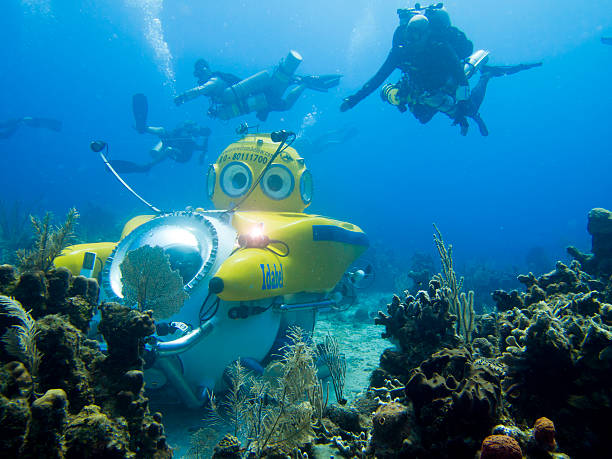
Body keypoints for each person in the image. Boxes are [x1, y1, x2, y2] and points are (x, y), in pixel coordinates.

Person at [341, 4, 541, 135]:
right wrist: (353, 100)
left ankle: (486, 75)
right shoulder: (400, 52)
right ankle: (456, 104)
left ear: (428, 33)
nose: (412, 41)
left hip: (448, 81)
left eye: (417, 36)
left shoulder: (441, 47)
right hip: (420, 85)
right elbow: (377, 79)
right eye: (409, 36)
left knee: (470, 109)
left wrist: (462, 105)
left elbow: (460, 77)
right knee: (423, 117)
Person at [174, 51, 341, 121]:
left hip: (255, 97)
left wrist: (183, 97)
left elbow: (201, 90)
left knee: (282, 103)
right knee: (284, 105)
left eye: (202, 70)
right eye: (199, 72)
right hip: (255, 99)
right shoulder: (215, 88)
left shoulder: (214, 81)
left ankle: (302, 81)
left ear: (206, 70)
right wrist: (216, 112)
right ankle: (303, 82)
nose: (201, 74)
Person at [109, 94, 211, 174]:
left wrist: (206, 138)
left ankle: (148, 166)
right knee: (162, 130)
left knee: (168, 150)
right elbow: (168, 133)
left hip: (182, 156)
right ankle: (143, 128)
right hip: (170, 144)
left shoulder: (192, 140)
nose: (190, 128)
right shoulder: (180, 131)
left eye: (191, 127)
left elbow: (202, 148)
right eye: (188, 126)